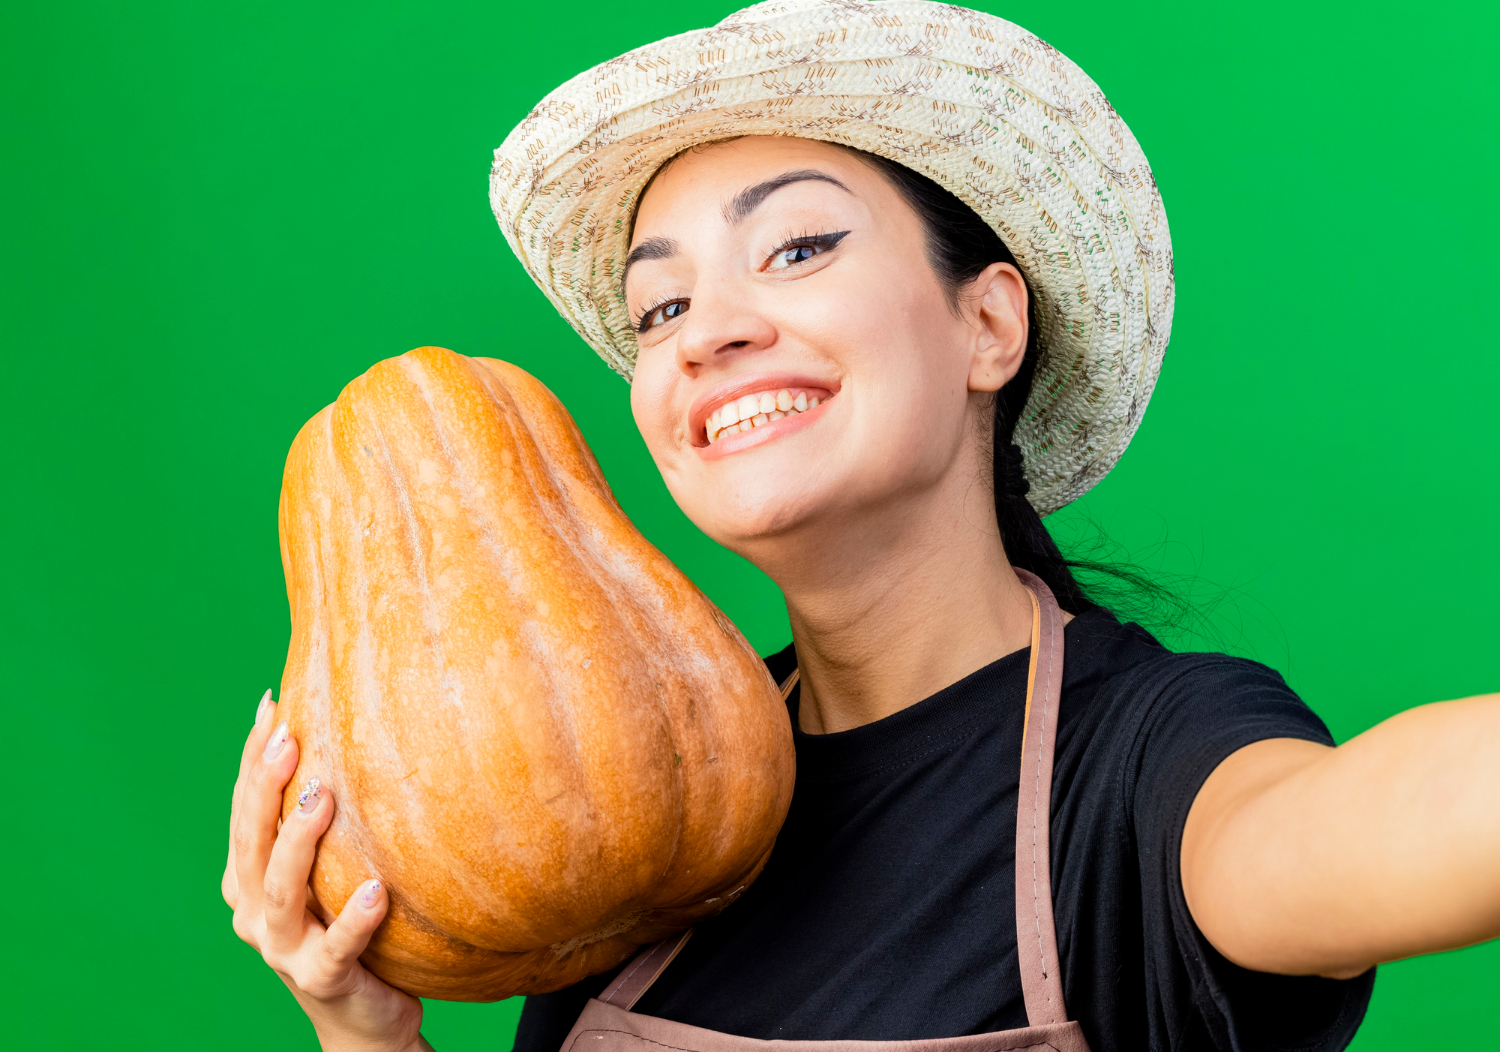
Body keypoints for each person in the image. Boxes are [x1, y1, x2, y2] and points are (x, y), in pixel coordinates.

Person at [222, 2, 1500, 1050]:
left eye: (795, 248)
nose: (708, 331)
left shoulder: (1142, 768)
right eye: (659, 310)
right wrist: (368, 1033)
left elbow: (1359, 825)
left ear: (988, 326)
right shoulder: (615, 790)